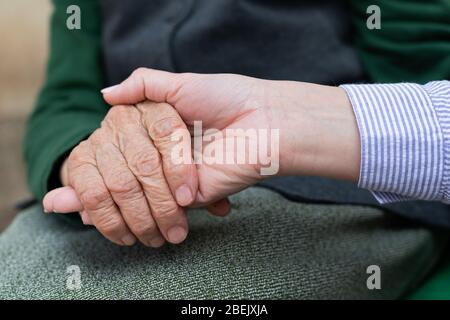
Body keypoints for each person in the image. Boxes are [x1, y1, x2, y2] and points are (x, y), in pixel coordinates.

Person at [1, 0, 448, 299]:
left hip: (329, 188)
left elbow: (425, 60)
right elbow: (66, 96)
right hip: (112, 187)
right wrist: (88, 157)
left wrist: (303, 126)